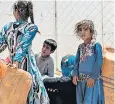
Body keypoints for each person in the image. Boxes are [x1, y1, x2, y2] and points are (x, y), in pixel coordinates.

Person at [0, 1, 49, 104]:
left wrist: (14, 62)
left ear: (16, 11)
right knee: (30, 91)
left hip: (13, 66)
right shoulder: (31, 27)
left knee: (14, 95)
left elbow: (1, 46)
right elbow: (23, 45)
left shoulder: (7, 27)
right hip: (27, 67)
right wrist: (17, 62)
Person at [72, 20, 105, 104]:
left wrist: (93, 77)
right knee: (80, 101)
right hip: (80, 80)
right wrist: (75, 74)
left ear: (91, 32)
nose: (82, 32)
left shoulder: (96, 45)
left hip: (92, 81)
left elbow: (99, 61)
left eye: (85, 29)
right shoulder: (80, 47)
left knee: (90, 101)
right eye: (80, 30)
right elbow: (76, 62)